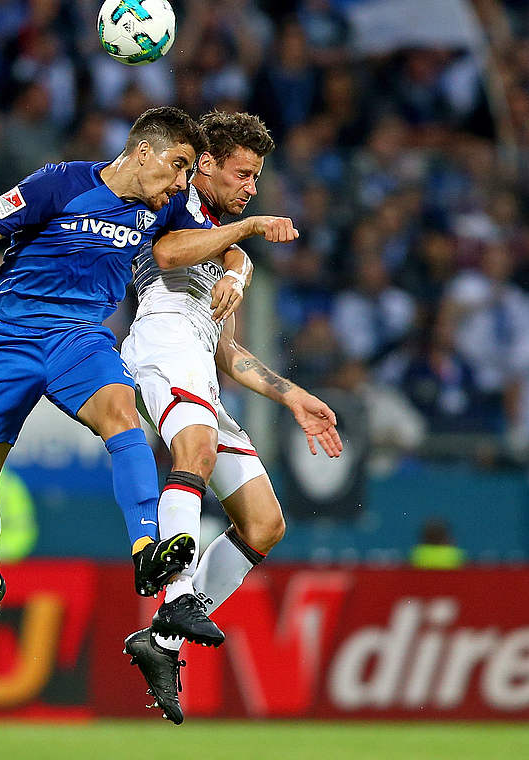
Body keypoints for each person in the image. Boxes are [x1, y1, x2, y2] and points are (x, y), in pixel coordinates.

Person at [0, 106, 299, 658]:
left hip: (79, 339)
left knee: (123, 417)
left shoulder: (161, 208)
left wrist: (240, 264)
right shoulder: (60, 183)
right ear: (144, 153)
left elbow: (220, 242)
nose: (183, 183)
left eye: (190, 172)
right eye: (179, 166)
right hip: (7, 339)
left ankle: (147, 545)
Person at [119, 110, 343, 725]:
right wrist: (244, 238)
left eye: (257, 179)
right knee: (193, 449)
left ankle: (162, 638)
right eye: (242, 175)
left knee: (265, 524)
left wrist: (291, 394)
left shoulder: (224, 251)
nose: (250, 187)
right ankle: (180, 594)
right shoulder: (173, 198)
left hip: (201, 365)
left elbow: (230, 353)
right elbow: (164, 255)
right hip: (160, 344)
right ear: (207, 165)